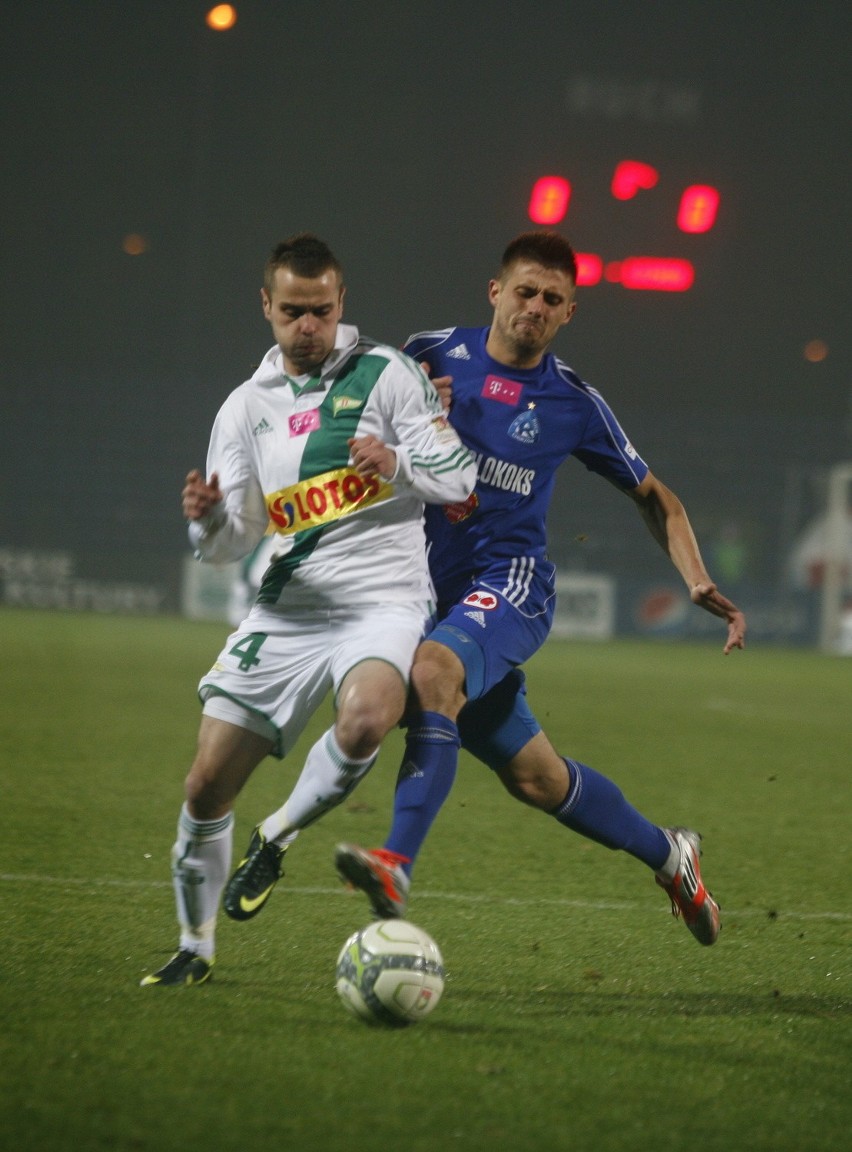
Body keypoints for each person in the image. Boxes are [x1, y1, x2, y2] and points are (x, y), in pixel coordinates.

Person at [229, 230, 746, 948]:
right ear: (496, 293)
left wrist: (696, 578)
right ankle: (670, 854)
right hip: (421, 591)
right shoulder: (428, 354)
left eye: (553, 300)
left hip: (511, 584)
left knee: (429, 675)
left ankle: (392, 864)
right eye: (525, 292)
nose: (535, 307)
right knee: (536, 778)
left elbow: (653, 495)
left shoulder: (573, 403)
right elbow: (356, 426)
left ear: (570, 312)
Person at [141, 233, 476, 986]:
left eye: (321, 310)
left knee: (365, 720)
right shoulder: (244, 409)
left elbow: (458, 480)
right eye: (292, 311)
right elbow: (232, 544)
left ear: (340, 303)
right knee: (203, 787)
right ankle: (194, 951)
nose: (308, 326)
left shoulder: (387, 374)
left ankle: (278, 834)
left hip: (383, 602)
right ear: (266, 306)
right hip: (289, 609)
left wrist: (397, 463)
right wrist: (206, 518)